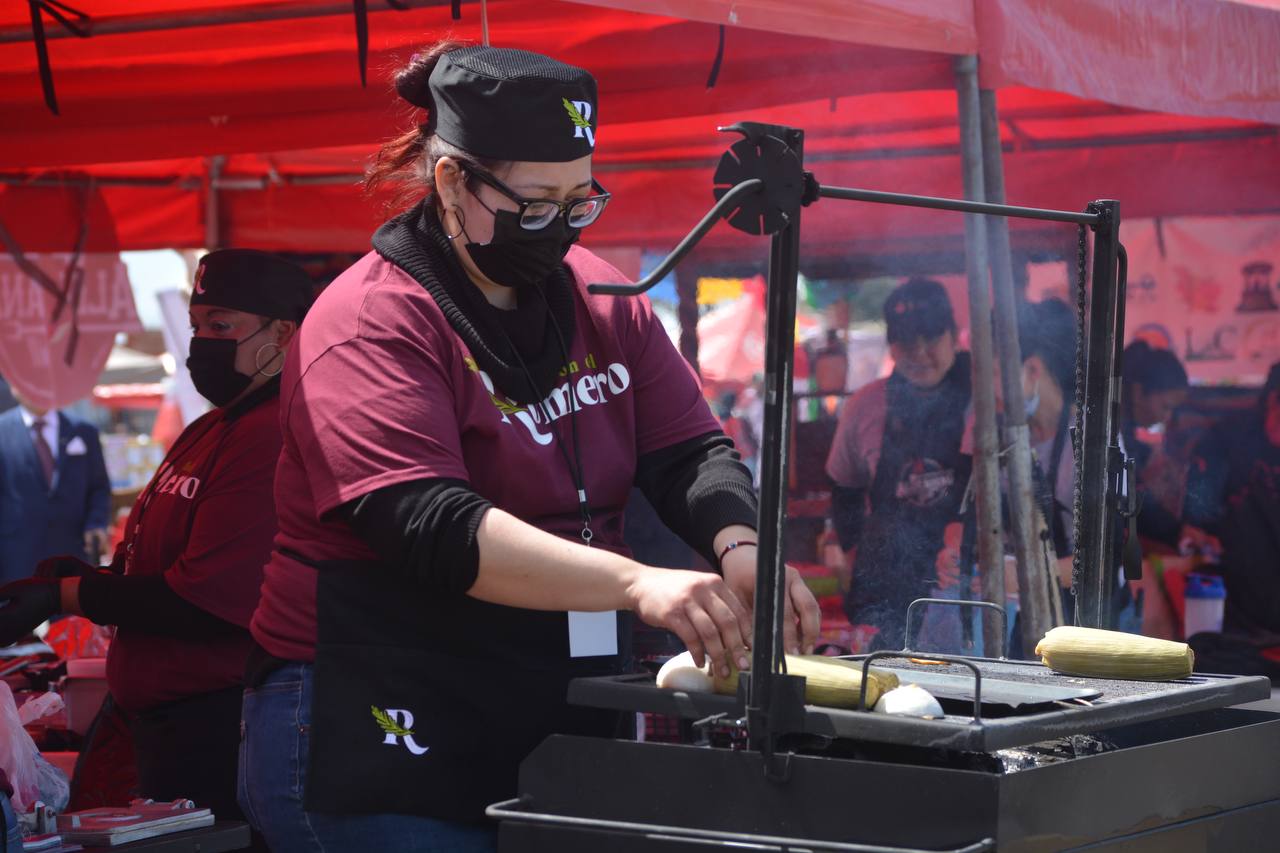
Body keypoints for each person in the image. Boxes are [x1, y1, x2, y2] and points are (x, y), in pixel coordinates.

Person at [238, 43, 820, 852]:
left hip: (536, 697)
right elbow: (428, 522)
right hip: (375, 706)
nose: (561, 229)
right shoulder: (371, 320)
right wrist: (635, 581)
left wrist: (741, 543)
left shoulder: (601, 297)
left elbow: (690, 449)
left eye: (582, 201)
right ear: (452, 183)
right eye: (535, 205)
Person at [0, 249, 312, 844]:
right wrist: (90, 578)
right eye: (197, 327)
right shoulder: (207, 429)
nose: (201, 343)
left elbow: (207, 597)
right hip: (160, 724)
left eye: (221, 326)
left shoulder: (276, 435)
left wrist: (67, 594)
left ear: (284, 333)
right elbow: (156, 562)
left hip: (229, 724)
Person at [824, 278, 974, 652]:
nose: (920, 352)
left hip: (962, 590)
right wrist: (851, 548)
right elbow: (844, 488)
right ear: (891, 344)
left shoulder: (985, 401)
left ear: (954, 336)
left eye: (932, 338)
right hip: (885, 585)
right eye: (908, 342)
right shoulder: (866, 406)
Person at [1183, 361, 1280, 649]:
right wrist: (1195, 529)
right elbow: (1198, 507)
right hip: (1236, 600)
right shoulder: (1227, 439)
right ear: (1273, 400)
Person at [0, 389, 111, 584]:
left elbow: (99, 487)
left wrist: (96, 523)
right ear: (14, 386)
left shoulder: (84, 431)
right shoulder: (2, 431)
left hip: (73, 556)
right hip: (16, 561)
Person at [1119, 340, 1193, 550]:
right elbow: (1129, 502)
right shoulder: (1110, 431)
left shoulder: (1127, 433)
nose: (1166, 417)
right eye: (1165, 407)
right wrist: (1176, 531)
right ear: (1138, 392)